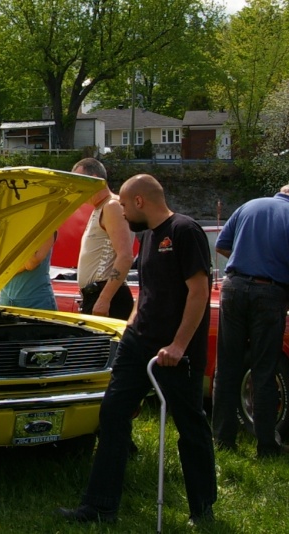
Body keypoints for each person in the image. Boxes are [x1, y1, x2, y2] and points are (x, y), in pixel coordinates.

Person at [58, 174, 216, 526]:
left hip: (175, 350)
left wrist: (178, 344)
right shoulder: (147, 238)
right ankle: (99, 507)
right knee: (113, 413)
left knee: (190, 424)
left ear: (140, 201)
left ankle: (202, 509)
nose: (123, 213)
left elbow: (199, 292)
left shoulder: (184, 231)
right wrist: (129, 325)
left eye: (125, 205)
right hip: (138, 342)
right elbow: (146, 292)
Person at [212, 184, 289, 458]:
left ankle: (223, 440)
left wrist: (246, 260)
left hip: (233, 287)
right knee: (264, 370)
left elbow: (222, 246)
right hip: (270, 291)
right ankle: (267, 445)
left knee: (228, 366)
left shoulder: (250, 205)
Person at [71, 158, 135, 320]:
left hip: (105, 295)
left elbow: (125, 255)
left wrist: (104, 299)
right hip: (96, 294)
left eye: (79, 181)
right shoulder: (101, 208)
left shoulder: (112, 206)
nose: (76, 188)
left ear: (95, 179)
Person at [0, 232, 57, 310]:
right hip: (5, 300)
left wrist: (7, 268)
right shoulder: (5, 229)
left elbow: (31, 263)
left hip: (37, 302)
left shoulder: (48, 228)